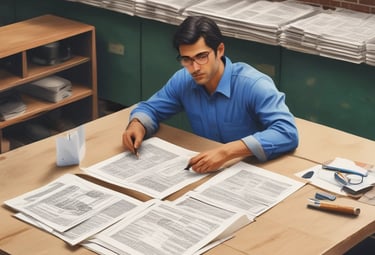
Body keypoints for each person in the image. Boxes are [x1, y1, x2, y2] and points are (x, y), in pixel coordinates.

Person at [122, 16, 298, 174]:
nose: (195, 67)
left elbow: (287, 132)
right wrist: (137, 124)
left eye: (201, 56)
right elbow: (150, 108)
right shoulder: (183, 80)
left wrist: (226, 151)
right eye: (186, 59)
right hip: (207, 172)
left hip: (253, 171)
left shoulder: (254, 84)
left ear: (220, 50)